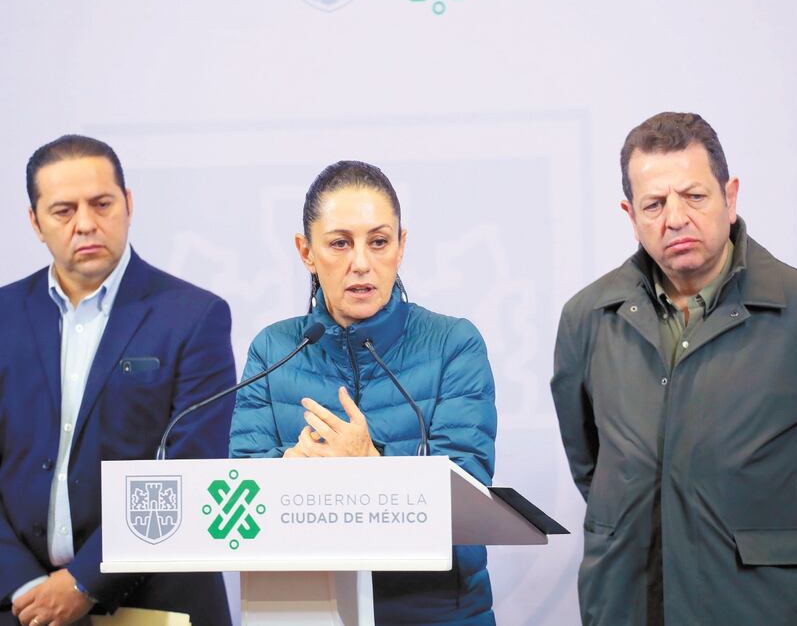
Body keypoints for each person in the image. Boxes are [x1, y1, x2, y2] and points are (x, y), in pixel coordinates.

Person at [551, 112, 797, 625]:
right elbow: (593, 466)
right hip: (629, 601)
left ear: (730, 198)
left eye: (694, 196)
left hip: (761, 603)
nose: (676, 218)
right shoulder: (588, 318)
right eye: (655, 204)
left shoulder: (794, 308)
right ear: (631, 214)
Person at [230, 160, 497, 625]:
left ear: (401, 246)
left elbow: (467, 489)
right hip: (307, 608)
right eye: (339, 243)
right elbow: (242, 483)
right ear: (306, 252)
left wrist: (370, 464)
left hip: (435, 611)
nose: (361, 263)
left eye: (379, 242)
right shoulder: (274, 350)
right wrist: (284, 470)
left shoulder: (454, 343)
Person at [0, 135, 236, 626]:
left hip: (153, 600)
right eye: (63, 210)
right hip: (20, 606)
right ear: (35, 222)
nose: (85, 223)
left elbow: (189, 471)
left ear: (128, 204)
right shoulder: (3, 316)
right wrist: (25, 587)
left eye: (101, 204)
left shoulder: (194, 317)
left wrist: (86, 581)